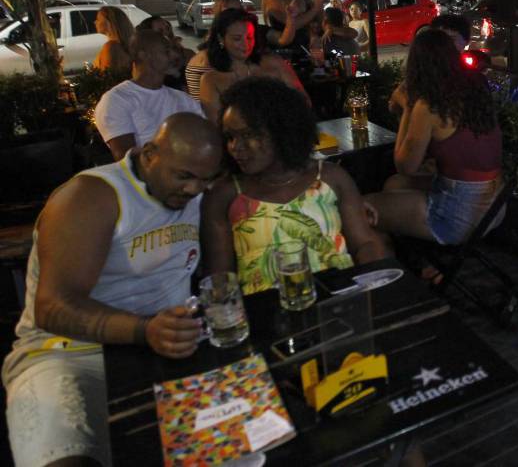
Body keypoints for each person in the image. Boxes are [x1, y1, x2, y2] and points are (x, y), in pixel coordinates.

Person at [3, 113, 223, 467]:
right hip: (67, 353)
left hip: (166, 345)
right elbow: (53, 308)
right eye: (184, 176)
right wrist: (144, 329)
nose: (193, 190)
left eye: (205, 180)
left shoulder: (196, 194)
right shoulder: (92, 196)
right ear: (150, 154)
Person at [200, 77, 383, 295]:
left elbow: (364, 244)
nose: (235, 147)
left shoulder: (330, 177)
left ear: (280, 130)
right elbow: (219, 280)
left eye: (248, 134)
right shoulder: (224, 195)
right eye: (230, 137)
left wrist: (373, 288)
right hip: (268, 315)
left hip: (340, 299)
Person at [365, 29, 503, 265]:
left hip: (459, 215)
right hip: (494, 206)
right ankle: (424, 266)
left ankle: (392, 283)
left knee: (364, 210)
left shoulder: (429, 104)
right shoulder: (475, 87)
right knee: (393, 185)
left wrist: (407, 104)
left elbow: (404, 165)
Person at [94, 29, 204, 160]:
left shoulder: (182, 98)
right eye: (166, 51)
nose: (174, 56)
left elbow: (205, 137)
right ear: (143, 55)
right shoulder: (116, 100)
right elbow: (126, 159)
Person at [198, 8, 307, 122]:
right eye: (237, 38)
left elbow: (303, 101)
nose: (245, 44)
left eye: (250, 37)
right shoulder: (211, 80)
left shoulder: (275, 63)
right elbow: (218, 127)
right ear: (221, 39)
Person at [185, 0, 245, 100]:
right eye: (229, 12)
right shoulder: (212, 57)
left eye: (239, 11)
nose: (236, 16)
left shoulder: (225, 49)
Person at [136, 15, 196, 91]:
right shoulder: (146, 61)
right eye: (160, 31)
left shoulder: (187, 54)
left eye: (168, 28)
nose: (166, 33)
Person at [91, 5, 135, 75]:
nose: (95, 22)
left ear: (110, 22)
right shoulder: (124, 45)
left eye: (98, 19)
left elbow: (107, 76)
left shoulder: (111, 47)